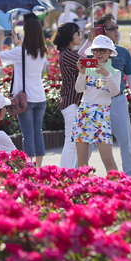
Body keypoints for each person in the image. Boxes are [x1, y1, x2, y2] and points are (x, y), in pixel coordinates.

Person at [87, 15, 131, 176]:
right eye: (112, 28)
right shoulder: (91, 52)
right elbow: (80, 57)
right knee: (87, 142)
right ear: (101, 30)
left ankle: (130, 175)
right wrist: (90, 42)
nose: (117, 31)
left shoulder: (122, 52)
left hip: (118, 101)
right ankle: (79, 174)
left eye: (116, 27)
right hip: (96, 102)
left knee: (126, 141)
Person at [0, 17, 49, 167]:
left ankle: (29, 166)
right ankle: (39, 166)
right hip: (40, 97)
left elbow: (1, 57)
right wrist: (16, 41)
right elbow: (24, 53)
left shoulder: (20, 51)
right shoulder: (42, 51)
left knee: (28, 134)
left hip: (25, 99)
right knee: (37, 133)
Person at [72, 35, 121, 173]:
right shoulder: (87, 68)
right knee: (82, 160)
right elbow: (79, 89)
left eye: (102, 50)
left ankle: (119, 188)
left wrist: (108, 75)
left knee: (107, 158)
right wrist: (81, 74)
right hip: (84, 112)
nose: (98, 54)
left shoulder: (114, 72)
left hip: (101, 114)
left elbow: (115, 92)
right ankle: (83, 190)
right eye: (95, 50)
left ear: (110, 52)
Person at [53, 22, 83, 169]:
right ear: (69, 36)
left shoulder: (68, 53)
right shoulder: (68, 55)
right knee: (71, 142)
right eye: (76, 32)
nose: (79, 34)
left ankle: (68, 173)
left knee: (73, 142)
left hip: (72, 102)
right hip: (71, 102)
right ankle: (65, 174)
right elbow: (87, 65)